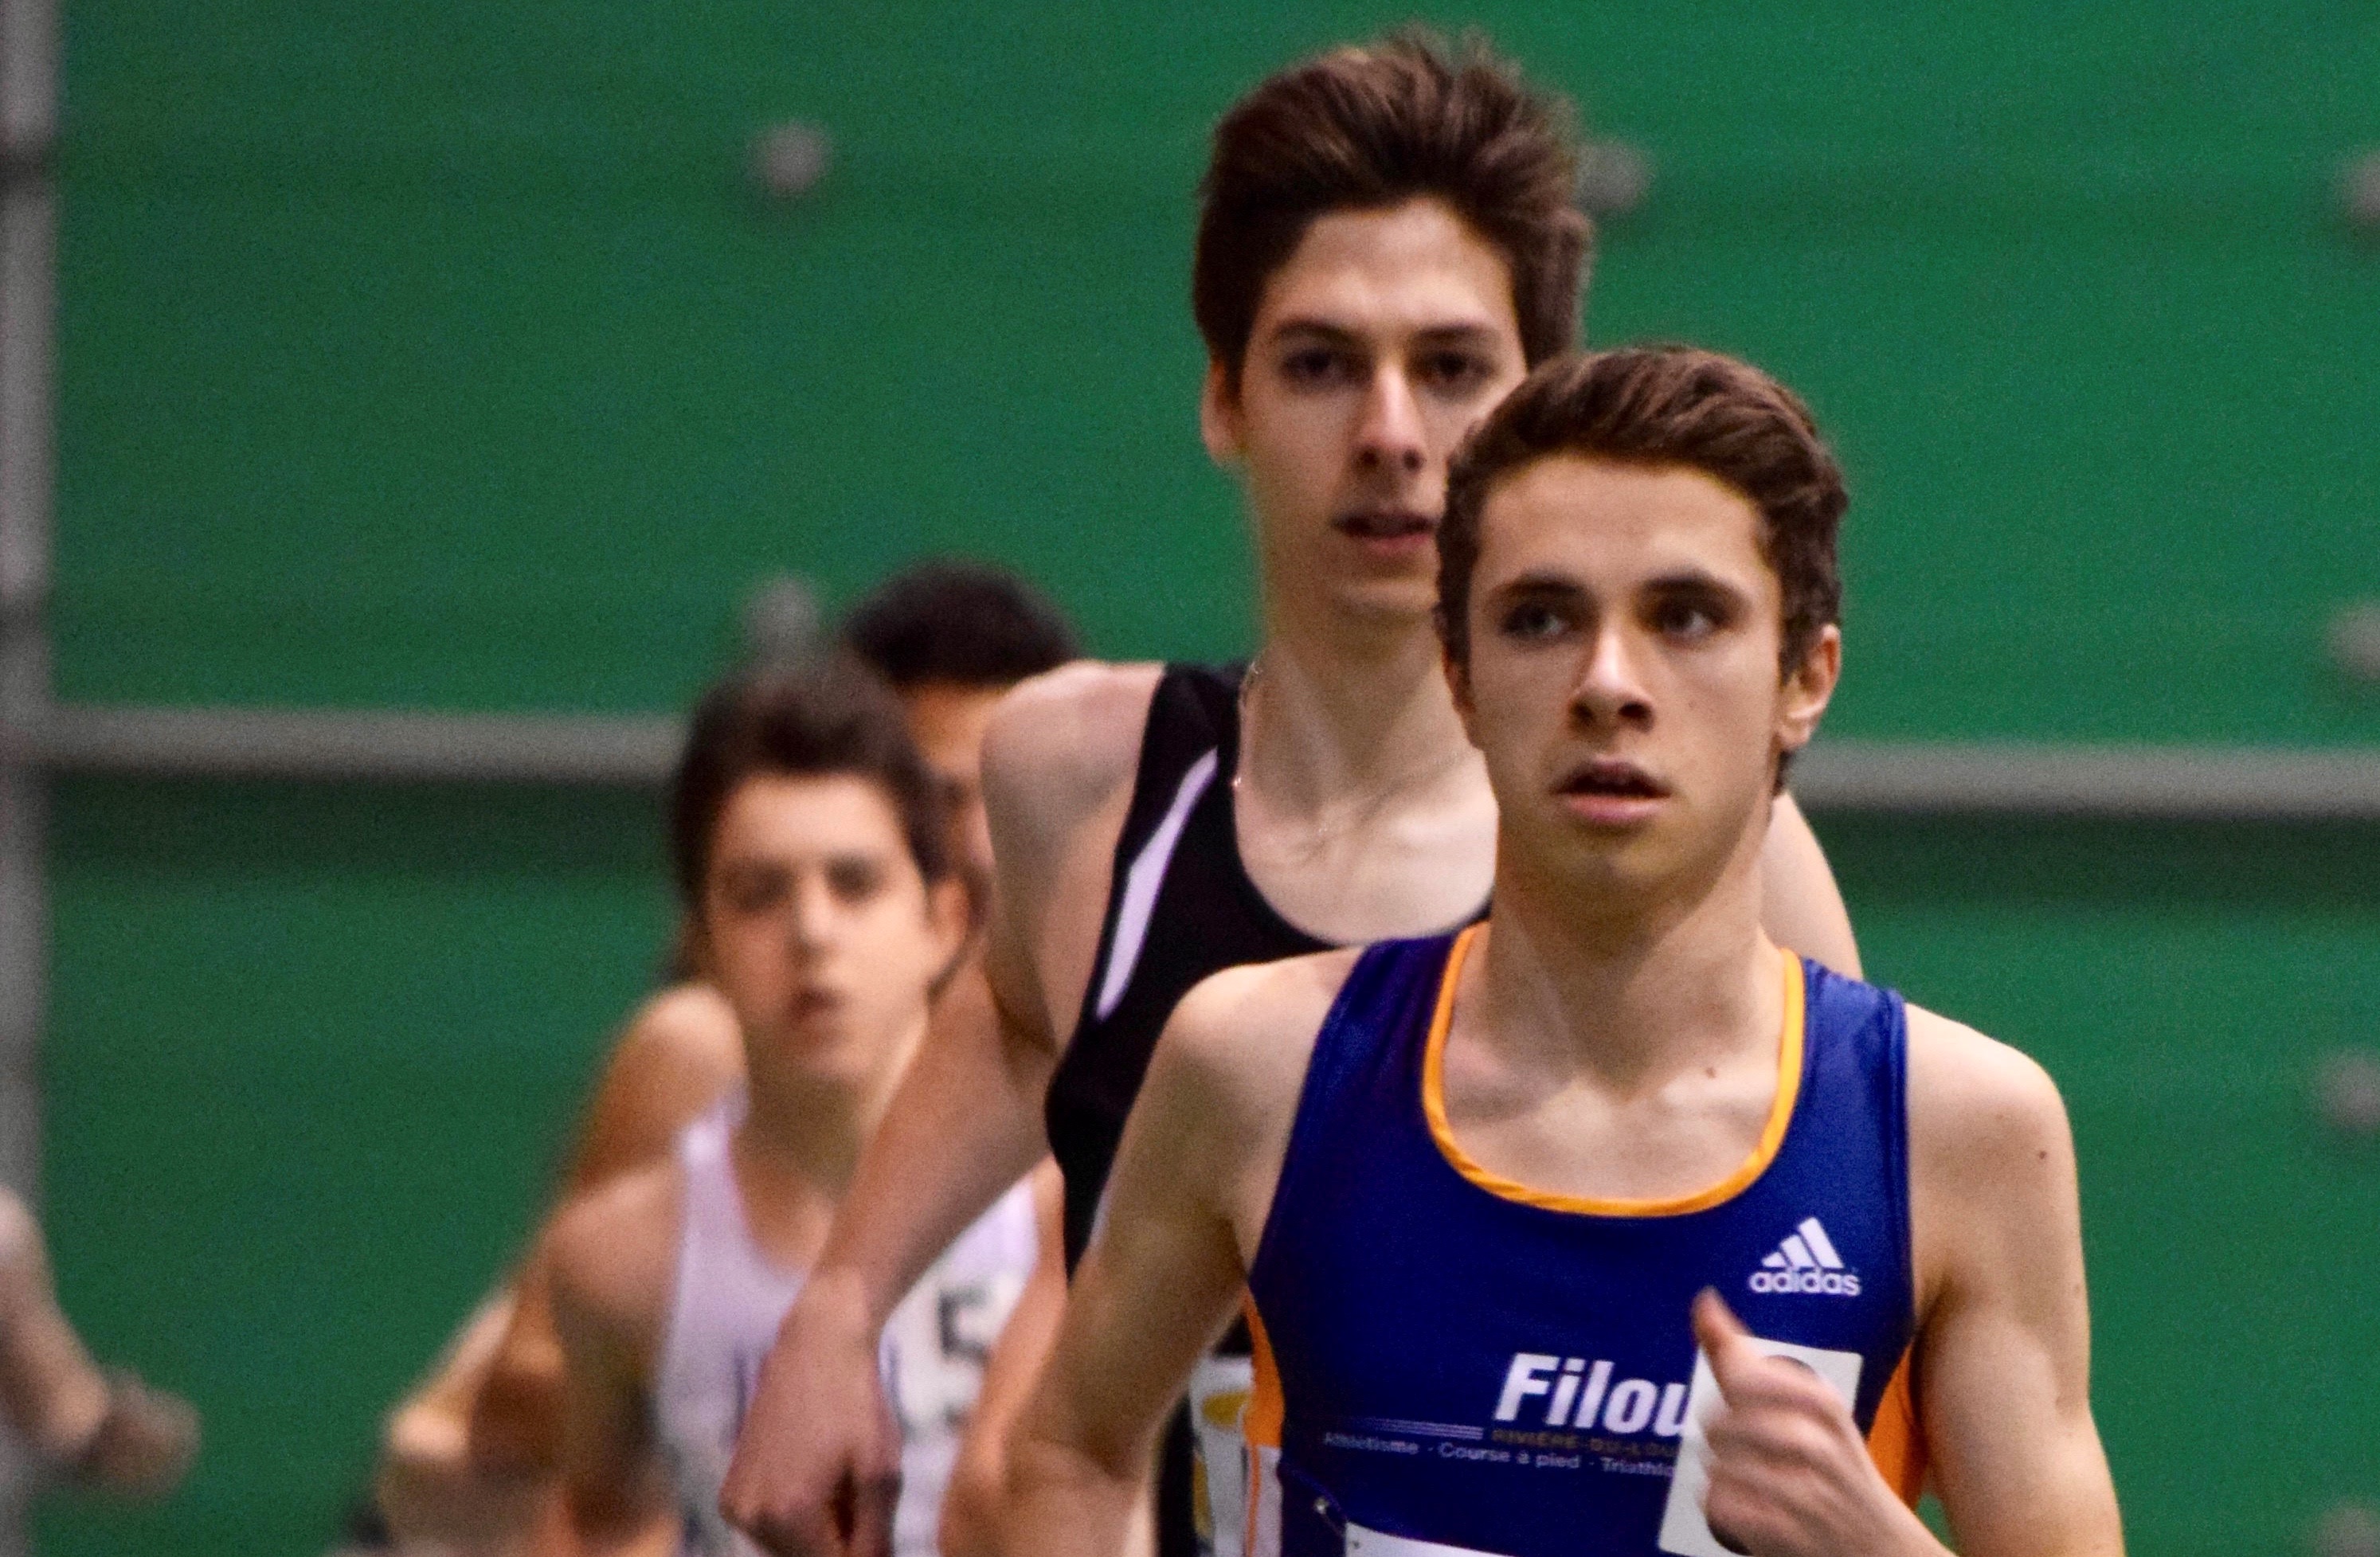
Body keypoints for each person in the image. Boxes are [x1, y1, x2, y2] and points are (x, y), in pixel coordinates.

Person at [721, 36, 1862, 1557]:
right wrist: (838, 1307)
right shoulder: (1088, 782)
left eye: (1450, 369)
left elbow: (1824, 1338)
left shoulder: (1721, 857)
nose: (1389, 434)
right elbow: (1016, 1023)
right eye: (1321, 363)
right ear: (1223, 399)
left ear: (1536, 404)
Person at [997, 348, 2125, 1557]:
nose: (1607, 683)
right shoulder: (1263, 1063)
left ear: (1805, 676)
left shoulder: (1959, 1132)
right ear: (1461, 675)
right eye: (1540, 618)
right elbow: (1068, 1452)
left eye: (1685, 617)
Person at [370, 563, 1078, 1555]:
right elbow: (494, 1433)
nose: (980, 844)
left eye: (1001, 803)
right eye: (943, 794)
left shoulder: (1090, 1121)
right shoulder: (688, 1075)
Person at [540, 663, 1035, 1557]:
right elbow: (600, 1518)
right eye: (761, 893)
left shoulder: (1062, 1212)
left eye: (855, 882)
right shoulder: (615, 1263)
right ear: (701, 943)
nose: (812, 932)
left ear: (945, 920)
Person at [0, 1187, 197, 1499]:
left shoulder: (70, 1419)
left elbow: (17, 1338)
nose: (138, 1393)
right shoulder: (82, 1408)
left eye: (147, 1414)